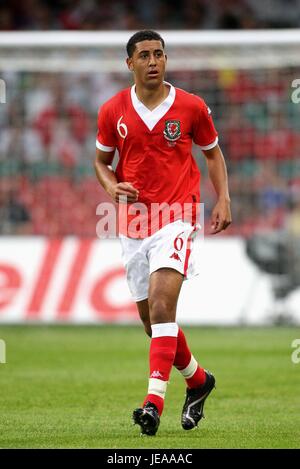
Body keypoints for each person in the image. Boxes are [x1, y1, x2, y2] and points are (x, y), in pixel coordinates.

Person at [94, 30, 232, 436]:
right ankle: (199, 380)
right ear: (130, 63)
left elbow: (213, 154)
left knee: (160, 307)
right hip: (132, 222)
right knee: (153, 324)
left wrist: (223, 198)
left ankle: (153, 403)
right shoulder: (112, 110)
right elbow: (101, 162)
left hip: (177, 215)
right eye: (145, 55)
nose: (154, 61)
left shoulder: (191, 106)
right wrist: (109, 186)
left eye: (159, 54)